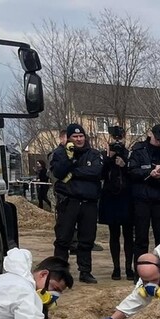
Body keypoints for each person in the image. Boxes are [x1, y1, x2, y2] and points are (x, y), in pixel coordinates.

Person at [50, 122, 103, 284]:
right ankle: (60, 272)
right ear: (69, 138)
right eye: (75, 136)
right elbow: (58, 172)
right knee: (63, 238)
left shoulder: (93, 153)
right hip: (69, 202)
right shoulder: (60, 153)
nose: (79, 139)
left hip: (89, 202)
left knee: (86, 239)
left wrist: (74, 171)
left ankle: (85, 271)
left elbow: (96, 172)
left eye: (81, 136)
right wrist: (70, 160)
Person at [128, 124, 160, 254]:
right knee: (141, 238)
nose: (159, 142)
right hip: (142, 199)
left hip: (159, 200)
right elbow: (132, 172)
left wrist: (159, 177)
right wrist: (149, 173)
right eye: (157, 139)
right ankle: (141, 269)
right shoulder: (139, 150)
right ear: (150, 134)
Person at [99, 126, 134, 281]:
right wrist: (109, 158)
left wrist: (124, 165)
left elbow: (135, 174)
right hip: (111, 198)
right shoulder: (105, 155)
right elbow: (99, 174)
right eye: (115, 138)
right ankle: (116, 268)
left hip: (126, 198)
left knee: (128, 235)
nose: (118, 141)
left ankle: (128, 267)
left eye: (120, 138)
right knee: (114, 235)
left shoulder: (130, 154)